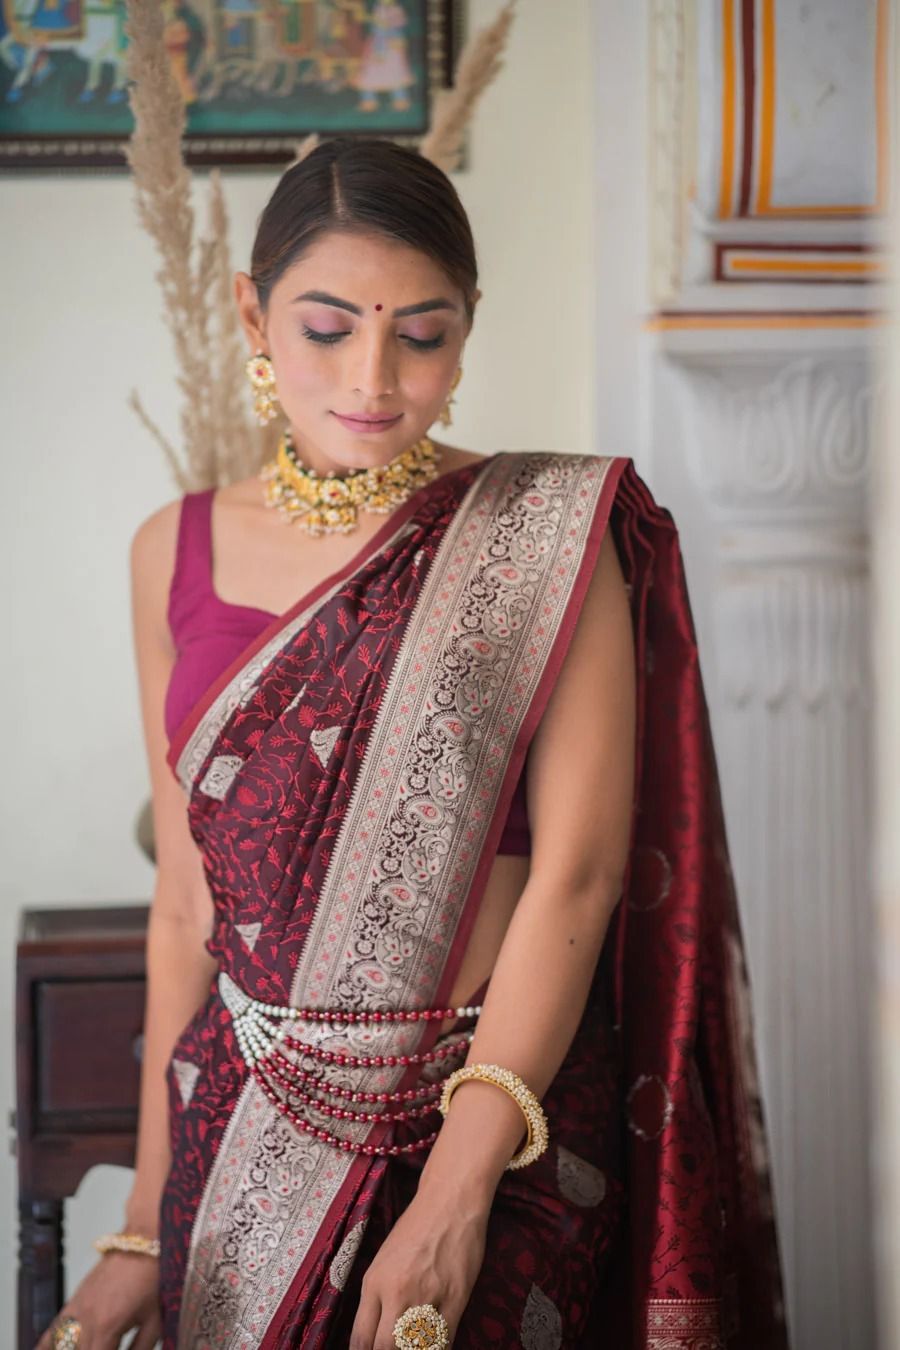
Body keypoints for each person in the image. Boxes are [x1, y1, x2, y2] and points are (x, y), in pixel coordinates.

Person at [38, 137, 788, 1350]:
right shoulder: (170, 550)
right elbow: (184, 902)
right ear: (253, 313)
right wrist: (138, 1222)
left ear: (468, 324)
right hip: (242, 1137)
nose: (374, 377)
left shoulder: (547, 536)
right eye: (327, 328)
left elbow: (580, 876)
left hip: (496, 1124)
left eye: (423, 334)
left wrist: (455, 1196)